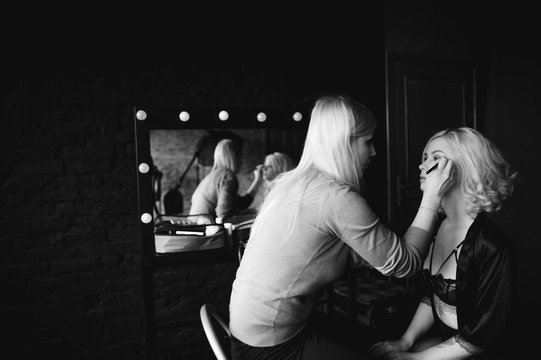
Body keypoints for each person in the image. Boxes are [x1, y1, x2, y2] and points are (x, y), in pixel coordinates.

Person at [228, 94, 453, 360]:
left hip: (248, 329)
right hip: (269, 346)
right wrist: (431, 199)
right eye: (368, 142)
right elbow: (403, 266)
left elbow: (318, 250)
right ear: (343, 143)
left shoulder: (290, 183)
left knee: (376, 341)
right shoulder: (335, 197)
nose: (374, 151)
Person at [369, 127, 517, 360]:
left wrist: (415, 358)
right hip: (445, 343)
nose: (422, 166)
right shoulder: (439, 227)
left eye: (435, 158)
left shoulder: (492, 246)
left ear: (466, 167)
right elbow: (433, 294)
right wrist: (406, 341)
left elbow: (483, 336)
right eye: (424, 158)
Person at [189, 138, 263, 220]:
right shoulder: (228, 177)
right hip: (204, 227)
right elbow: (223, 215)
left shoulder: (212, 176)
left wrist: (258, 179)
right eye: (239, 157)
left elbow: (241, 204)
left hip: (193, 223)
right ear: (234, 158)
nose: (241, 162)